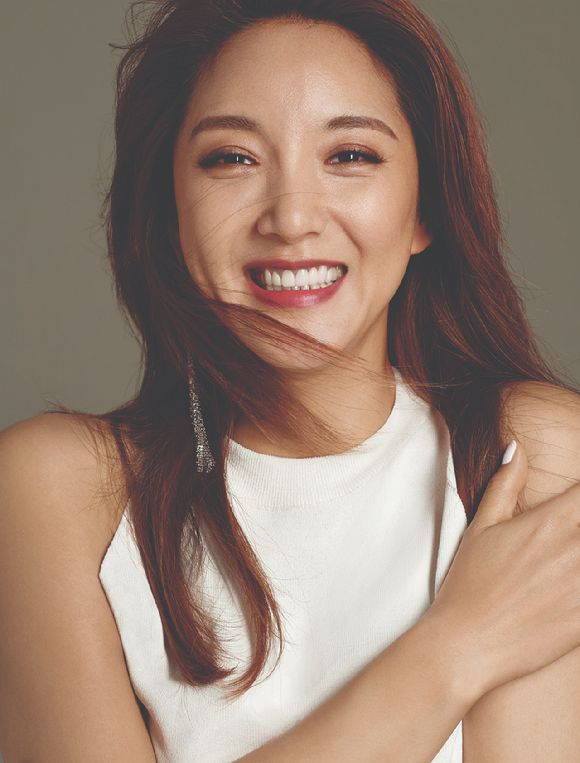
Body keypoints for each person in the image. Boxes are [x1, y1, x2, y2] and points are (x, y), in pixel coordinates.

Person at [1, 0, 580, 761]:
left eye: (351, 155)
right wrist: (456, 648)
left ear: (425, 210)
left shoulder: (525, 452)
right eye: (232, 158)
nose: (292, 217)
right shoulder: (61, 491)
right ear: (168, 209)